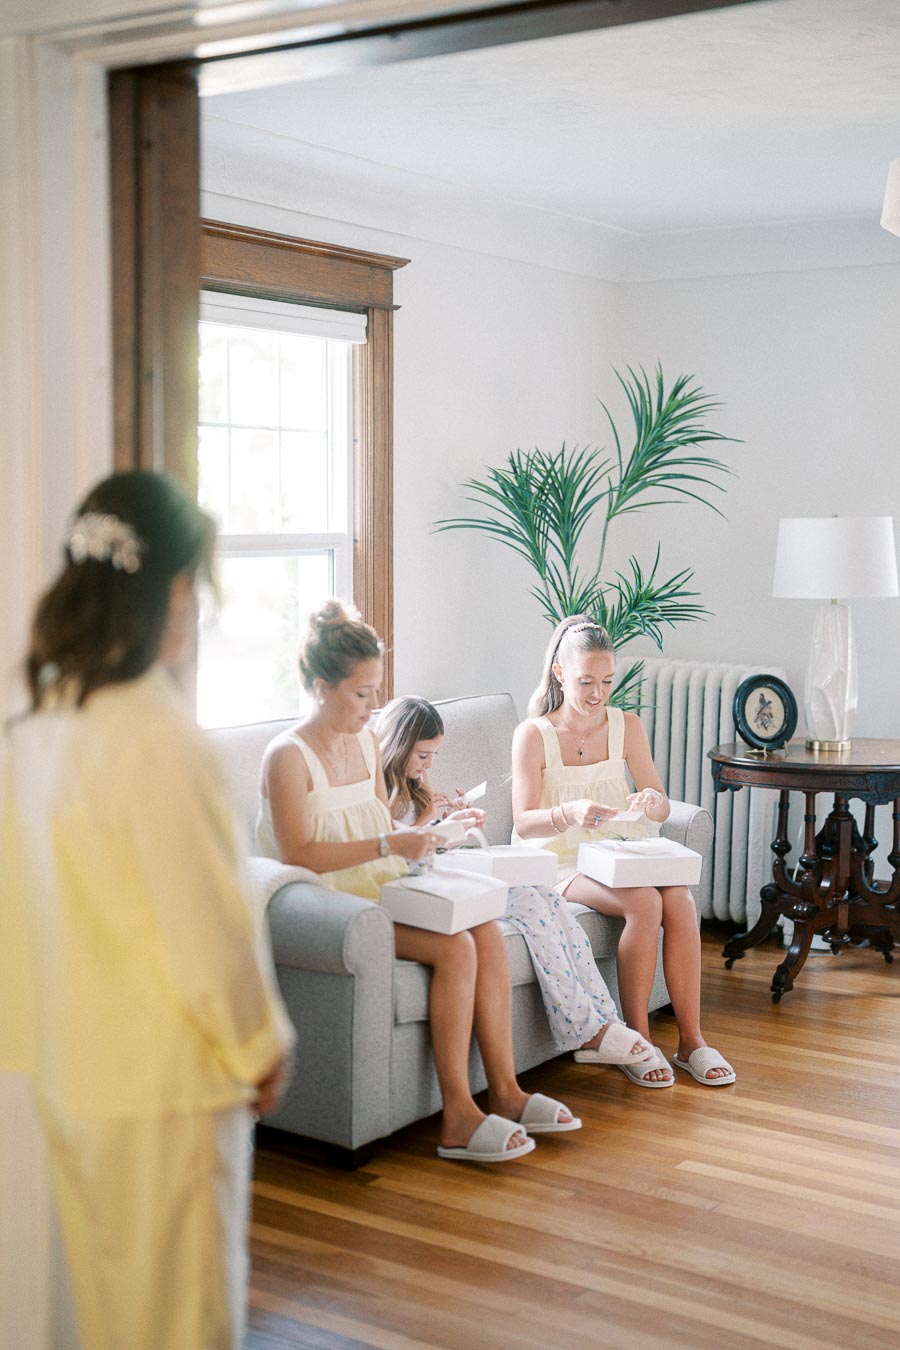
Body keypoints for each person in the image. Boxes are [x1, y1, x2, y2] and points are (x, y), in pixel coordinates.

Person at [1, 471, 295, 1350]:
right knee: (179, 1328)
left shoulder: (39, 725)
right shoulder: (159, 739)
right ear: (169, 592)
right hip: (162, 1089)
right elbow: (208, 936)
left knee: (109, 1320)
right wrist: (260, 1044)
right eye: (196, 587)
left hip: (72, 1073)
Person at [256, 600, 579, 1162]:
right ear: (318, 685)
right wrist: (392, 844)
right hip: (330, 903)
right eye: (361, 694)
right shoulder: (287, 757)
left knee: (486, 930)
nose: (373, 707)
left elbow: (382, 825)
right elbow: (298, 853)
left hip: (382, 883)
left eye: (376, 690)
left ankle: (504, 1090)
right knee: (456, 949)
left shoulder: (363, 741)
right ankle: (458, 1115)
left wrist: (432, 835)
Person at [510, 615, 735, 1089]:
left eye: (607, 681)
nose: (598, 694)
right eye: (586, 681)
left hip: (617, 852)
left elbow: (658, 800)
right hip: (561, 859)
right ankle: (639, 1040)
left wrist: (653, 802)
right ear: (559, 674)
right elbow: (523, 822)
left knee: (679, 899)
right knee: (645, 902)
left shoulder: (626, 726)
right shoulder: (534, 735)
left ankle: (691, 1040)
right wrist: (569, 812)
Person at [377, 696, 654, 1071]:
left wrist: (454, 827)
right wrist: (427, 825)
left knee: (549, 900)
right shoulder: (378, 796)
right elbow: (395, 857)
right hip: (422, 889)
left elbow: (430, 848)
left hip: (445, 872)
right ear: (396, 747)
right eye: (423, 756)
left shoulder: (416, 787)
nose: (428, 767)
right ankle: (584, 1029)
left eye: (433, 757)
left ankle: (606, 1021)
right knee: (528, 904)